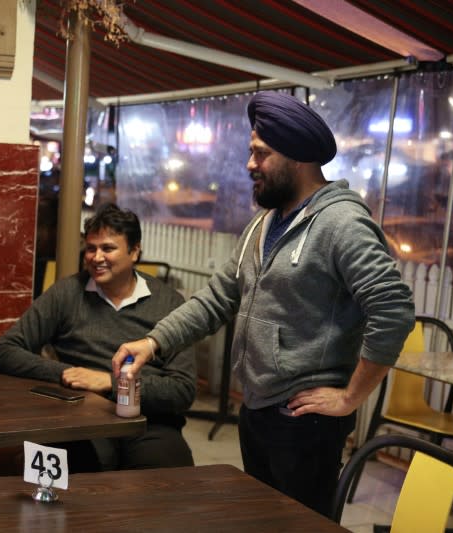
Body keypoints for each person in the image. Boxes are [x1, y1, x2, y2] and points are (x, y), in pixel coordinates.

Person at [112, 92, 415, 517]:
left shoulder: (342, 223)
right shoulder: (265, 221)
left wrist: (350, 397)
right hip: (257, 408)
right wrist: (154, 341)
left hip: (306, 420)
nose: (250, 164)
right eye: (251, 152)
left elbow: (394, 310)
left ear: (298, 158)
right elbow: (220, 296)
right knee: (260, 522)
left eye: (261, 153)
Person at [0, 203, 196, 471]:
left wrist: (109, 382)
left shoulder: (169, 301)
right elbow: (5, 351)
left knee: (167, 477)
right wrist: (71, 374)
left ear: (135, 252)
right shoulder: (67, 293)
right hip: (79, 417)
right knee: (73, 478)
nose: (96, 257)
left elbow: (182, 390)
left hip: (150, 421)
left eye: (108, 248)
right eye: (90, 248)